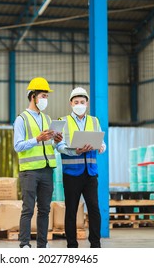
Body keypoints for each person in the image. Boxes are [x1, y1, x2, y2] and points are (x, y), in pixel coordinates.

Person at [13, 77, 63, 248]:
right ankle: (24, 244)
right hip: (30, 171)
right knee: (28, 209)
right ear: (33, 96)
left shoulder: (48, 119)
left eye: (47, 97)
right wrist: (37, 139)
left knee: (44, 209)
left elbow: (51, 146)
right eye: (43, 96)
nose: (45, 100)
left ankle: (42, 244)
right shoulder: (22, 119)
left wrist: (57, 140)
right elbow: (18, 146)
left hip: (47, 170)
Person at [56, 87, 106, 248]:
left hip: (90, 173)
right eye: (76, 102)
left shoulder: (94, 121)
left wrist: (101, 147)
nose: (79, 104)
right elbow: (58, 146)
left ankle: (96, 244)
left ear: (87, 103)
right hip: (71, 173)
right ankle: (72, 245)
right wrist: (74, 151)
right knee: (71, 210)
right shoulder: (62, 121)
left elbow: (101, 140)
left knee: (94, 208)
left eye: (82, 102)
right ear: (71, 103)